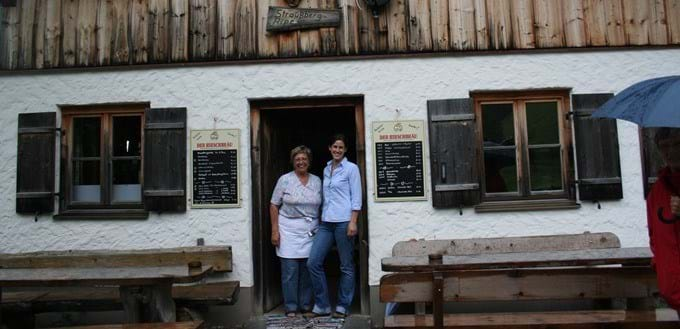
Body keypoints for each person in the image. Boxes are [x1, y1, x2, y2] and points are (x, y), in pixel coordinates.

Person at [307, 134, 362, 318]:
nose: (337, 150)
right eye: (334, 147)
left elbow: (357, 196)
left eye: (341, 147)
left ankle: (342, 306)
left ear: (345, 150)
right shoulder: (326, 168)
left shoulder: (351, 169)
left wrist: (353, 221)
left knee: (346, 265)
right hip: (326, 222)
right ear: (329, 148)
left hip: (344, 221)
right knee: (313, 262)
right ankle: (322, 305)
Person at [270, 146, 322, 317]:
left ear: (309, 161)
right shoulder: (284, 180)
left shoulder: (317, 181)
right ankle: (291, 307)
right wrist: (275, 230)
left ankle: (306, 305)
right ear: (293, 162)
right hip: (288, 229)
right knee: (290, 271)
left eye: (304, 159)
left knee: (308, 268)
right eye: (297, 159)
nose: (301, 162)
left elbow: (323, 206)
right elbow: (273, 205)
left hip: (311, 230)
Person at [646, 128, 680, 314]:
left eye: (677, 144)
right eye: (664, 146)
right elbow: (654, 236)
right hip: (675, 289)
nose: (670, 151)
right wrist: (662, 267)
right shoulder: (658, 191)